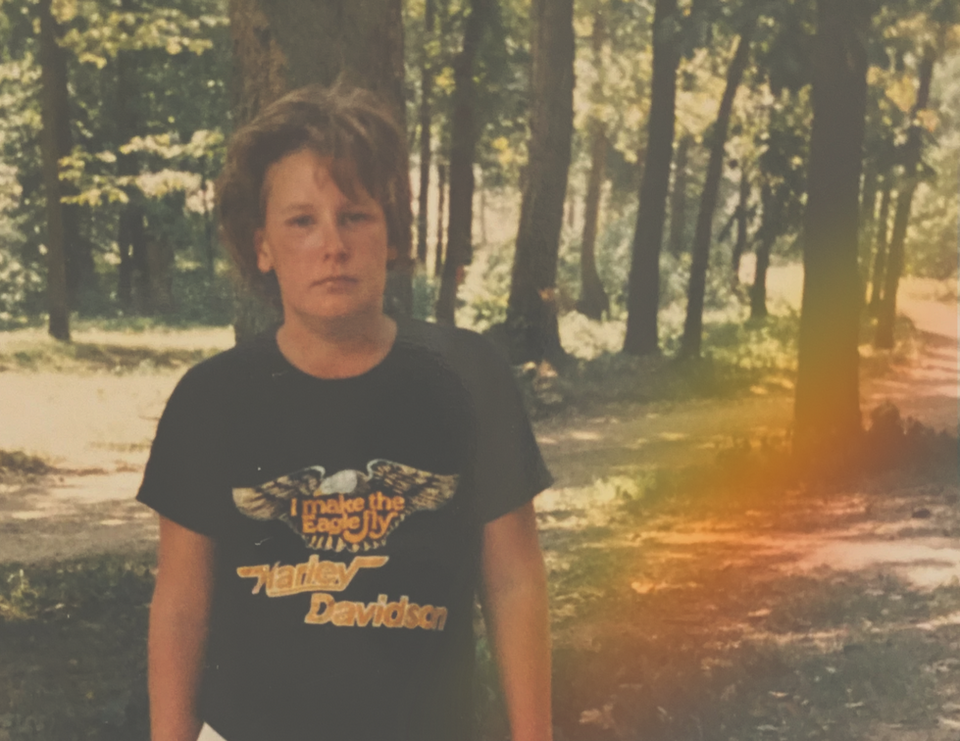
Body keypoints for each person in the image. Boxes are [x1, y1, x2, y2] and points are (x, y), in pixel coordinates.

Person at [137, 83, 553, 741]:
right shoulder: (211, 399)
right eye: (301, 221)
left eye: (355, 215)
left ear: (389, 236)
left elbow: (513, 578)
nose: (332, 244)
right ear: (262, 246)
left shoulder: (470, 377)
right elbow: (182, 605)